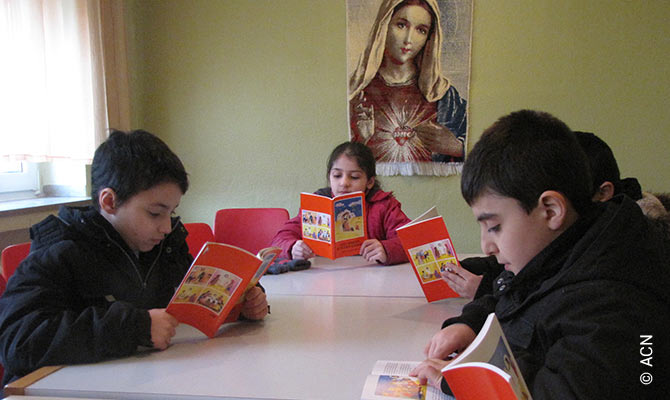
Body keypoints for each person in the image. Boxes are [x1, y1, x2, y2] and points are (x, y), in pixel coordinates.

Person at [409, 110, 669, 398]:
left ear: (551, 211)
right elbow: (512, 297)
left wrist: (470, 375)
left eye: (494, 226)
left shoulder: (614, 302)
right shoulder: (558, 252)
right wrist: (470, 324)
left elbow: (562, 393)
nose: (486, 246)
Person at [0, 130, 269, 386]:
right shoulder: (60, 251)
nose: (166, 227)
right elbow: (16, 341)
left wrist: (241, 304)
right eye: (155, 213)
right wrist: (134, 329)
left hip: (145, 380)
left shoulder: (165, 246)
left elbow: (193, 299)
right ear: (109, 202)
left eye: (171, 212)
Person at [445, 129, 663, 299]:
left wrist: (484, 290)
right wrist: (465, 266)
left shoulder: (622, 257)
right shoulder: (582, 233)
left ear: (603, 193)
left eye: (494, 227)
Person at [349, 0, 467, 176]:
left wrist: (456, 147)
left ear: (430, 38)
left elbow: (476, 154)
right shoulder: (360, 93)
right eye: (401, 25)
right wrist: (361, 140)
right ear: (385, 25)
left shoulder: (444, 96)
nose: (409, 39)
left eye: (421, 30)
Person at [271, 141, 411, 265]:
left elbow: (411, 241)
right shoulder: (317, 203)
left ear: (370, 182)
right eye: (337, 175)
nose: (344, 183)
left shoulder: (384, 205)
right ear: (329, 177)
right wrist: (293, 248)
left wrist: (386, 249)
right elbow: (280, 238)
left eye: (354, 177)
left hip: (373, 278)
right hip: (324, 277)